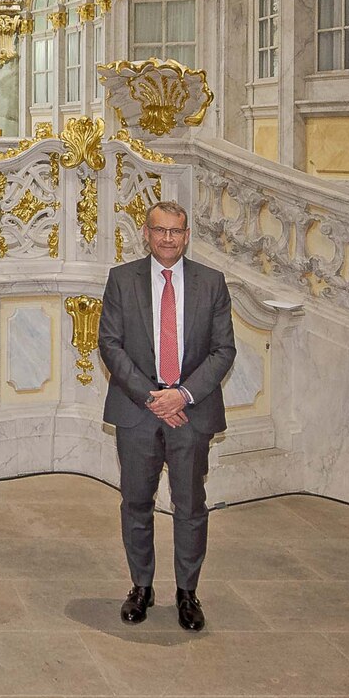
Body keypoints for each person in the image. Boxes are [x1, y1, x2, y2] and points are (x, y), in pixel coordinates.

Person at [97, 201, 235, 632]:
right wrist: (153, 397)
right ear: (147, 233)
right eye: (160, 231)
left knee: (190, 505)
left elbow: (223, 350)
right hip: (138, 412)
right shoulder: (122, 280)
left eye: (176, 231)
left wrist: (183, 395)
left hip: (191, 414)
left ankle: (187, 592)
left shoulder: (211, 283)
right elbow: (110, 345)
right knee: (136, 503)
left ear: (187, 234)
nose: (168, 239)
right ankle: (141, 587)